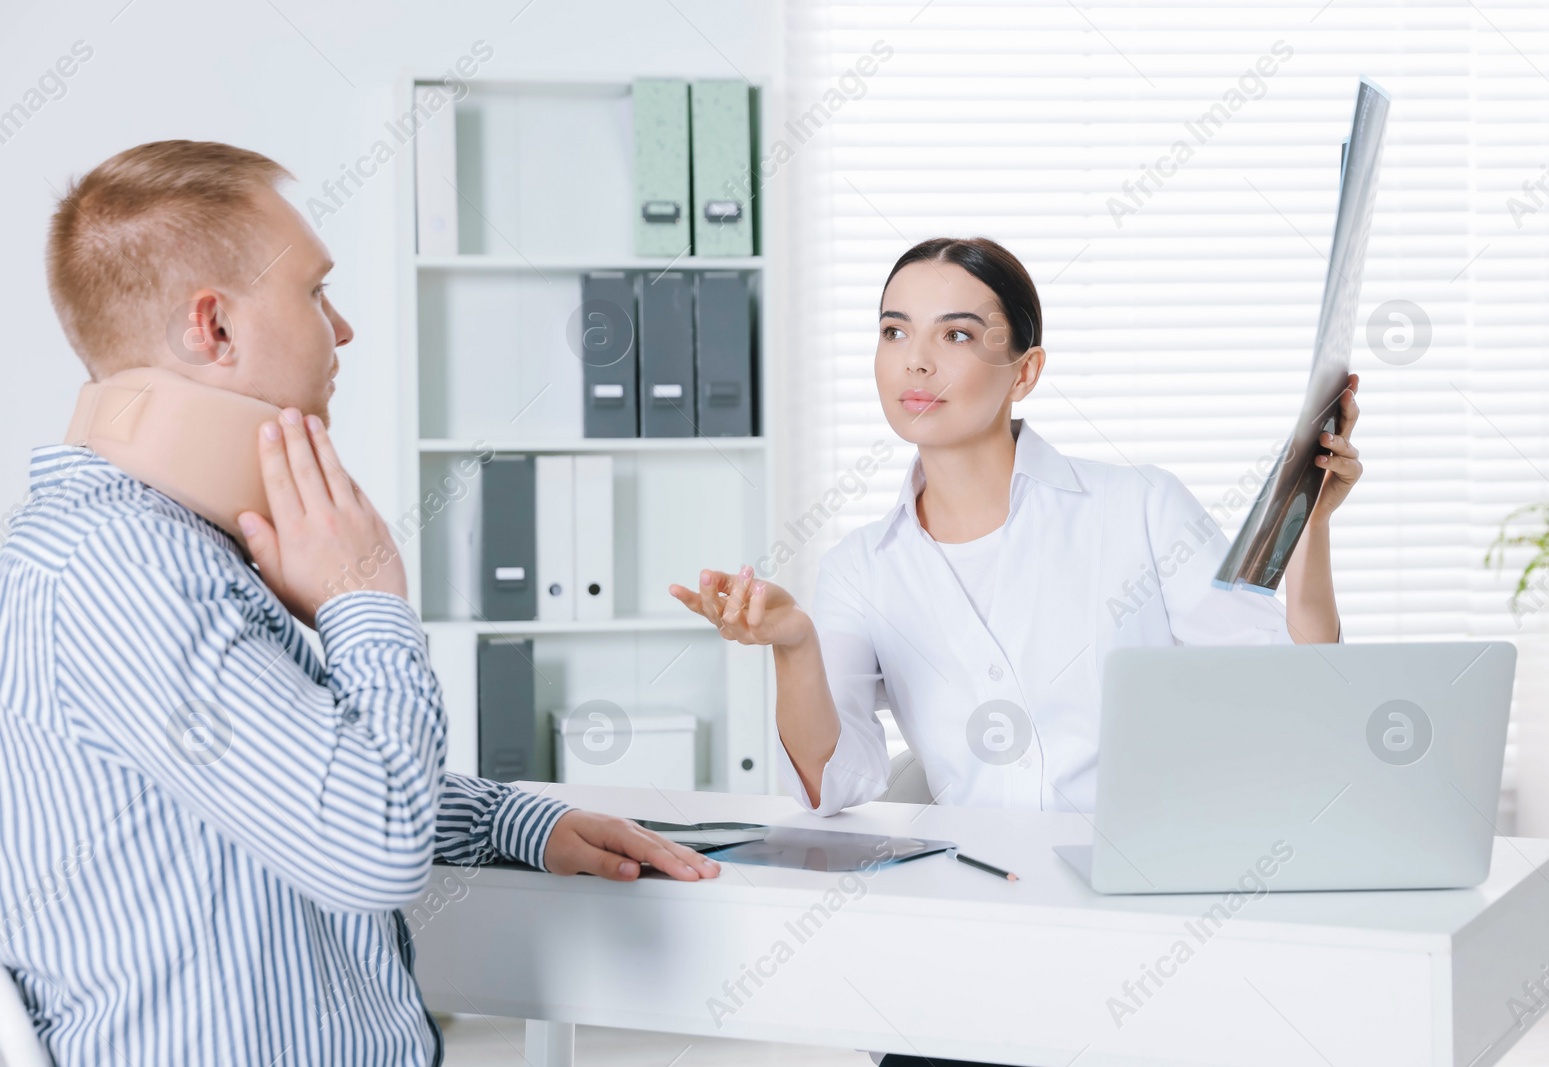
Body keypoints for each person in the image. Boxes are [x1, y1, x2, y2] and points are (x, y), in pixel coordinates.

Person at [0, 140, 719, 1066]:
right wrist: (365, 597)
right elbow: (369, 844)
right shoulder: (125, 570)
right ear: (211, 328)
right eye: (313, 292)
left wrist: (520, 822)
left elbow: (299, 778)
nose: (342, 330)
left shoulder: (145, 547)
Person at [672, 236, 1360, 819]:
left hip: (1149, 883)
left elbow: (1286, 674)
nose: (916, 359)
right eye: (894, 329)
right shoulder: (861, 567)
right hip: (982, 905)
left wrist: (1311, 528)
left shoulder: (1140, 508)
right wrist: (793, 645)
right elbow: (836, 781)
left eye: (957, 334)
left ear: (1024, 372)